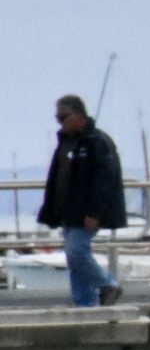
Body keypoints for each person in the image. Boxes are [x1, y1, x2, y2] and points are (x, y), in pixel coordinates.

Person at [38, 94, 127, 307]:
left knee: (77, 252)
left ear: (79, 116)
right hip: (68, 211)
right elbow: (57, 177)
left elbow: (106, 179)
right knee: (74, 258)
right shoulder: (67, 143)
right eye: (57, 118)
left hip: (86, 212)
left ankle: (107, 284)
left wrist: (95, 212)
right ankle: (84, 303)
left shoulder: (97, 141)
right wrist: (51, 210)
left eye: (63, 117)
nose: (60, 122)